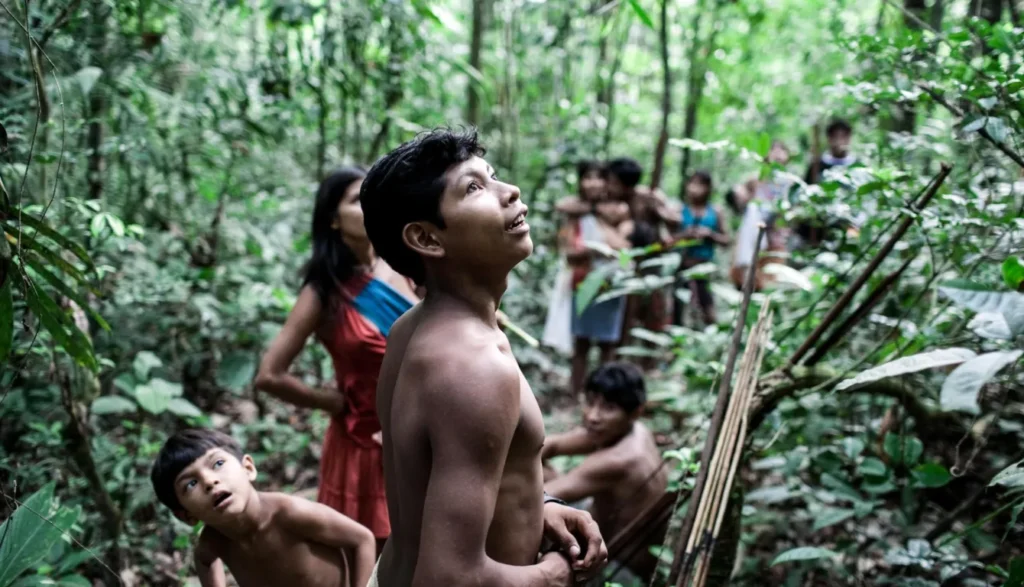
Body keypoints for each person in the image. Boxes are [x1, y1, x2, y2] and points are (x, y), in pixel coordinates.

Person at [360, 128, 608, 586]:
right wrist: (554, 574)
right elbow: (448, 578)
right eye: (474, 187)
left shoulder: (413, 328)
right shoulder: (472, 365)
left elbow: (435, 489)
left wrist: (543, 505)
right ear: (427, 239)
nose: (509, 191)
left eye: (492, 176)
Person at [255, 167, 419, 550]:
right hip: (364, 441)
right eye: (354, 200)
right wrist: (329, 401)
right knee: (374, 552)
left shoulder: (406, 263)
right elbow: (269, 375)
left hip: (422, 428)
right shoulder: (325, 291)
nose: (368, 207)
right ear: (332, 219)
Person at [151, 428, 377, 587]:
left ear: (248, 468)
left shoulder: (290, 514)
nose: (209, 482)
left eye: (218, 464)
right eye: (191, 484)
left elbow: (362, 539)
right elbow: (203, 560)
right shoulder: (214, 541)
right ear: (186, 515)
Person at [543, 362, 667, 583]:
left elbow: (539, 496)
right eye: (590, 402)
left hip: (619, 570)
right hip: (608, 541)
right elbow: (551, 446)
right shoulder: (632, 430)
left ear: (636, 412)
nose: (593, 416)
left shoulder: (622, 460)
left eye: (608, 407)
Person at [559, 161, 632, 395]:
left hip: (611, 284)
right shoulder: (574, 212)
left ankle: (605, 394)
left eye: (599, 177)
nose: (593, 183)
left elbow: (623, 251)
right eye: (587, 177)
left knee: (608, 345)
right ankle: (574, 393)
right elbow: (569, 252)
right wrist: (596, 249)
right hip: (582, 282)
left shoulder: (620, 210)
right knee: (581, 343)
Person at [665, 171, 729, 326]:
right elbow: (667, 242)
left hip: (704, 268)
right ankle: (676, 346)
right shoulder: (679, 210)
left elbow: (726, 240)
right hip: (682, 266)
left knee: (708, 309)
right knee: (678, 309)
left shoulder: (715, 212)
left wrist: (709, 235)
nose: (695, 188)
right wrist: (685, 235)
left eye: (700, 184)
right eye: (692, 183)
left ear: (707, 188)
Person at [729, 140, 794, 289]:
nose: (777, 154)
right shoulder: (756, 178)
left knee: (772, 275)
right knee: (750, 275)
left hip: (777, 233)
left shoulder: (791, 182)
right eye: (774, 150)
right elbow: (740, 195)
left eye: (781, 149)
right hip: (754, 231)